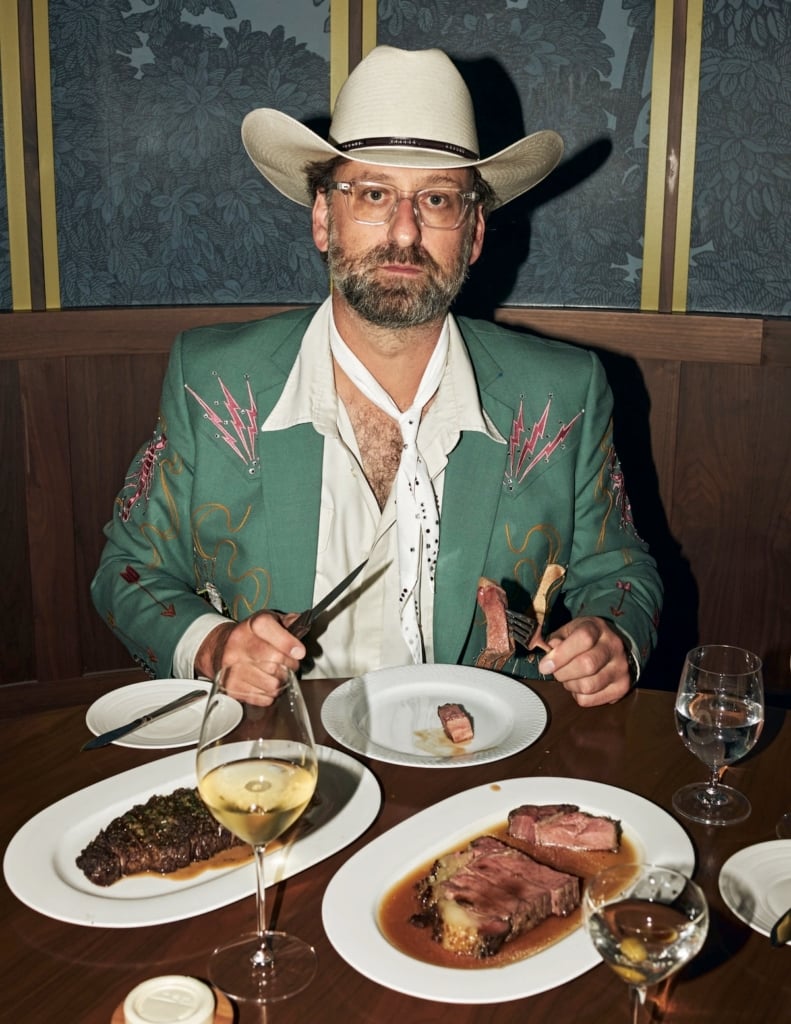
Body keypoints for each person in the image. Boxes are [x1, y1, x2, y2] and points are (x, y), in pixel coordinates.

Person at [91, 46, 662, 707]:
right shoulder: (213, 380)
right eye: (371, 193)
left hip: (481, 769)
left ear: (473, 232)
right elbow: (127, 573)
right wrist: (215, 646)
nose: (403, 230)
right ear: (321, 218)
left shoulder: (563, 393)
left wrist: (611, 637)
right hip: (283, 760)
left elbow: (621, 571)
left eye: (438, 199)